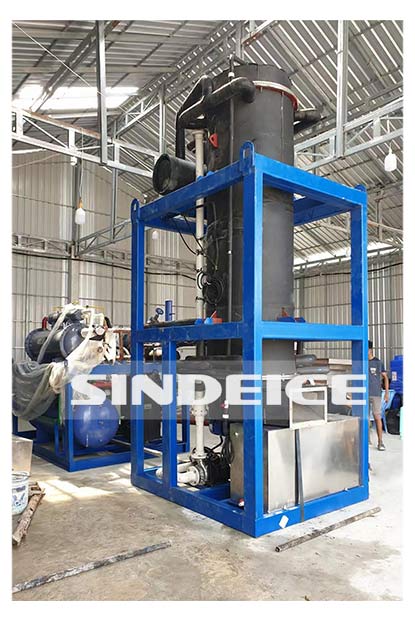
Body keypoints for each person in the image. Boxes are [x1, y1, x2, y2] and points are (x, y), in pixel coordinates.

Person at [368, 340, 389, 451]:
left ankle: (380, 442)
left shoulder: (378, 362)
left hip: (376, 394)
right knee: (364, 418)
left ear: (370, 350)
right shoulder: (362, 362)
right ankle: (366, 440)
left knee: (377, 417)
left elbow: (385, 377)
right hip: (364, 394)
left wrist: (386, 393)